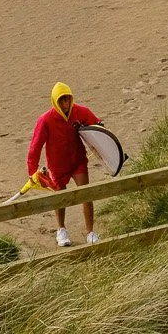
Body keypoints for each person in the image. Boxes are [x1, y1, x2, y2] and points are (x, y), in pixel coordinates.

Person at [27, 81, 102, 247]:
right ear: (55, 101)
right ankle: (61, 230)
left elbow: (97, 126)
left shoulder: (80, 112)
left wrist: (105, 148)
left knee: (86, 193)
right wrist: (32, 172)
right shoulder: (45, 120)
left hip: (78, 160)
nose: (65, 104)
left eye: (67, 99)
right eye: (61, 100)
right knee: (60, 197)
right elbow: (35, 147)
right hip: (57, 165)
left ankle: (90, 232)